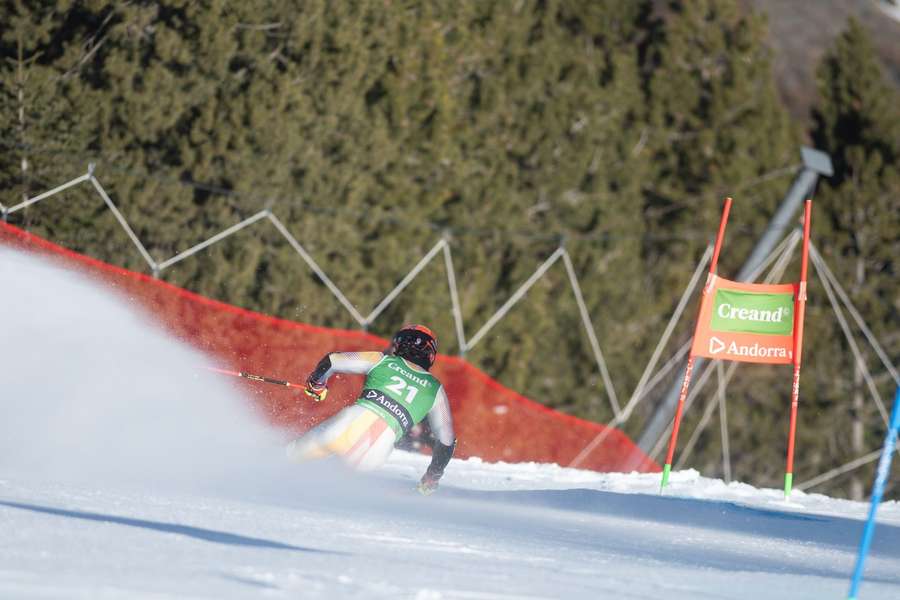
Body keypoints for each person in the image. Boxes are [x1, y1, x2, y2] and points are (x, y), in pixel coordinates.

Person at [286, 324, 456, 495]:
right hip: (376, 453)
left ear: (400, 343)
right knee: (327, 494)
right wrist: (432, 476)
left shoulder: (382, 360)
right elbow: (447, 442)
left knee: (286, 463)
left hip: (344, 427)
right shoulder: (436, 390)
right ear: (430, 354)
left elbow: (333, 360)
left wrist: (316, 384)